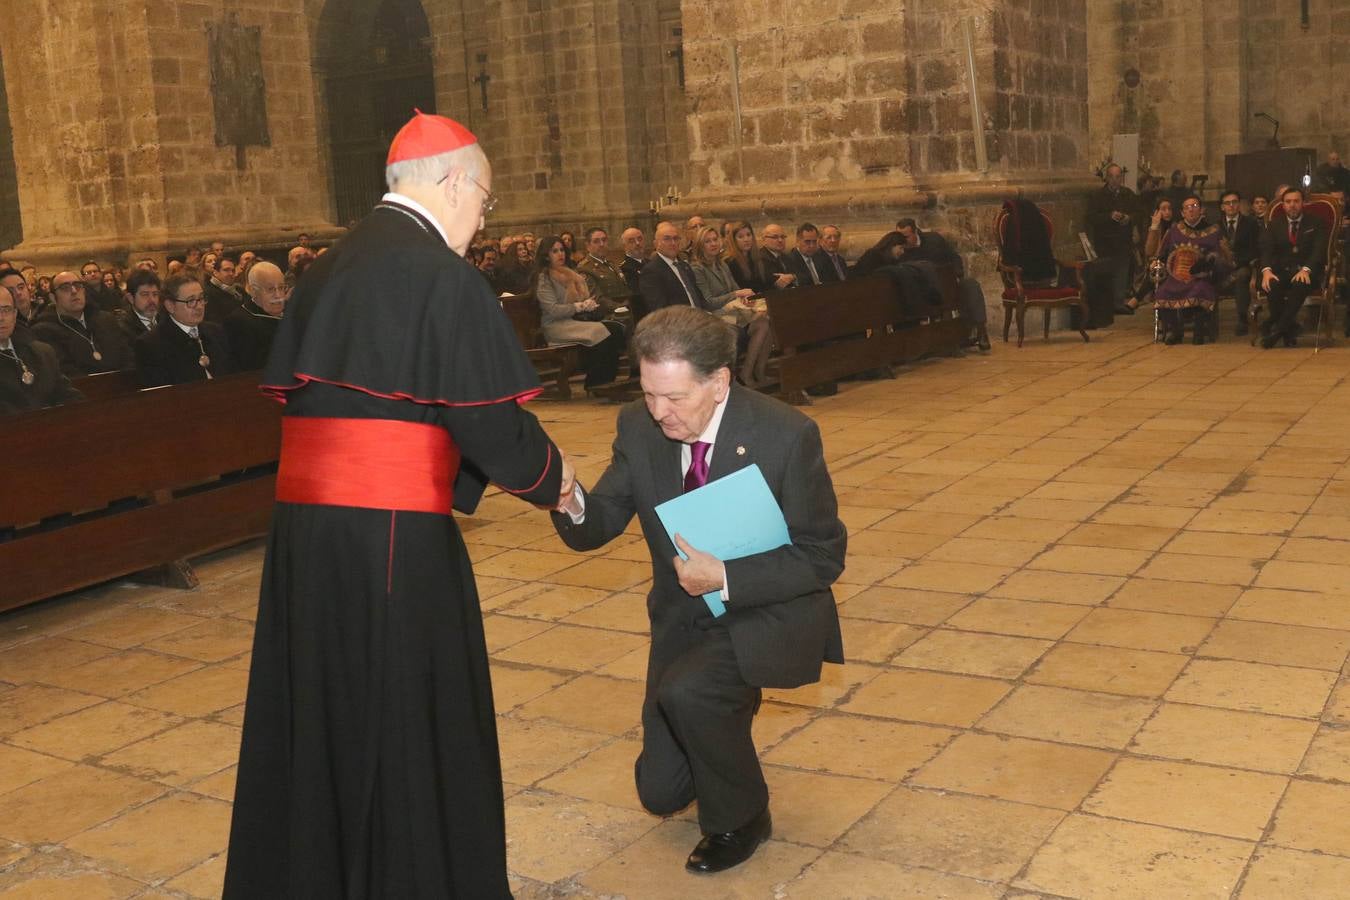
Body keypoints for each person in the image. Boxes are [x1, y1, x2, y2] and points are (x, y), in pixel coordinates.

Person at [225, 112, 575, 900]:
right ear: (454, 183)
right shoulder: (437, 274)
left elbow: (383, 410)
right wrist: (558, 482)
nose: (484, 223)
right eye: (485, 202)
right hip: (391, 537)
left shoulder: (327, 266)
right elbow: (486, 419)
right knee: (403, 711)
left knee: (321, 708)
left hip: (306, 533)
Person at [551, 306, 846, 875]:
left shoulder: (786, 435)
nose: (660, 412)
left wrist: (727, 578)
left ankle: (743, 815)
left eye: (675, 398)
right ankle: (717, 721)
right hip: (683, 618)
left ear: (719, 382)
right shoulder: (639, 425)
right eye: (648, 393)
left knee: (693, 695)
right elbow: (602, 519)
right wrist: (568, 497)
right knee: (659, 793)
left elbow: (822, 555)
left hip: (762, 609)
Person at [535, 235, 624, 390]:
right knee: (602, 332)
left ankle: (606, 379)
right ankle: (596, 383)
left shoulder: (570, 274)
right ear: (546, 255)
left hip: (573, 321)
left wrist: (588, 303)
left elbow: (581, 299)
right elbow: (552, 310)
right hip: (555, 326)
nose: (560, 254)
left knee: (616, 329)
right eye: (554, 251)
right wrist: (579, 307)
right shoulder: (544, 278)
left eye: (562, 250)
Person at [689, 226, 773, 387]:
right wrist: (736, 295)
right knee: (762, 324)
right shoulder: (697, 268)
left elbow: (736, 290)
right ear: (700, 245)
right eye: (708, 241)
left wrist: (746, 298)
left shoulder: (722, 265)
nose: (713, 243)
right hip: (716, 316)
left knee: (767, 320)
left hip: (735, 313)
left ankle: (759, 371)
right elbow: (708, 301)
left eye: (715, 239)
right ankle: (746, 374)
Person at [896, 218, 991, 351]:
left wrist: (957, 275)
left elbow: (954, 257)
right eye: (899, 237)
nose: (902, 240)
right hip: (926, 293)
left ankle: (981, 331)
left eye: (906, 236)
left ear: (915, 232)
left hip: (948, 284)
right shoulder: (900, 251)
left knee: (971, 285)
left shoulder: (933, 240)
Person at [1151, 196, 1232, 345]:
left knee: (1200, 289)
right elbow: (1162, 253)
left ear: (1201, 210)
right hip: (1176, 276)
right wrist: (1157, 262)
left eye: (1194, 205)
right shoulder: (1174, 230)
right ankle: (1176, 332)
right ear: (1182, 212)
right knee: (1162, 292)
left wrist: (1207, 265)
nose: (1191, 209)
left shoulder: (1213, 231)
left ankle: (1199, 331)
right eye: (1187, 207)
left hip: (1202, 276)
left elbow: (1221, 256)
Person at [135, 273, 236, 385]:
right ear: (170, 305)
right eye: (191, 301)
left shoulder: (216, 332)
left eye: (201, 298)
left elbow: (232, 375)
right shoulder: (151, 344)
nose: (199, 306)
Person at [1259, 187, 1329, 348]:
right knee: (1272, 284)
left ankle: (1277, 331)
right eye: (1288, 202)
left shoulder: (1316, 223)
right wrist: (1266, 271)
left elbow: (1318, 251)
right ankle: (1289, 330)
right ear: (1282, 205)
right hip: (1282, 271)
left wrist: (1306, 269)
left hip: (1308, 271)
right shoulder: (1273, 225)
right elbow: (1266, 249)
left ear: (1303, 203)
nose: (1292, 205)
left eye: (1296, 201)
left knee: (1300, 283)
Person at [31, 271, 134, 377]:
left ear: (84, 291)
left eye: (78, 286)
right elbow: (64, 371)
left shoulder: (106, 319)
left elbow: (127, 356)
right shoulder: (44, 331)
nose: (74, 291)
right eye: (65, 288)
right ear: (53, 298)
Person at [0, 292, 83, 416]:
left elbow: (68, 396)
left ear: (15, 314)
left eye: (6, 310)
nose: (1, 317)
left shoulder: (42, 353)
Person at [1086, 163, 1138, 313]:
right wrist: (1109, 216)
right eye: (1112, 177)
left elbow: (1139, 212)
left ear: (1121, 178)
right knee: (1106, 273)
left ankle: (1118, 302)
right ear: (1107, 178)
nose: (1116, 180)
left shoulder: (1128, 194)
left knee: (1122, 272)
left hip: (1123, 239)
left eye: (1118, 176)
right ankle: (1106, 305)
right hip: (1105, 241)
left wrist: (1129, 218)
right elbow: (1091, 217)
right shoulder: (1098, 196)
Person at [225, 261, 286, 370]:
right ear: (253, 291)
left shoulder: (292, 313)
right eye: (270, 289)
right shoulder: (240, 322)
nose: (278, 295)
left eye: (281, 287)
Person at [1217, 191, 1262, 336]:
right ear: (1222, 207)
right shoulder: (1216, 226)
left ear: (1239, 204)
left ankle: (1243, 319)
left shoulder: (1251, 223)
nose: (1231, 206)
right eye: (1227, 203)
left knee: (1242, 276)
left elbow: (1255, 248)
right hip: (1222, 267)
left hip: (1243, 265)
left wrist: (1237, 263)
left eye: (1234, 202)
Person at [641, 222, 708, 315]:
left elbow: (699, 299)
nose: (673, 243)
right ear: (656, 244)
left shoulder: (684, 266)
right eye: (667, 239)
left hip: (701, 317)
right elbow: (660, 310)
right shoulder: (651, 271)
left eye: (676, 238)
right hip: (679, 323)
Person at [576, 227, 634, 314]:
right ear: (588, 246)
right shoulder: (585, 268)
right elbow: (596, 298)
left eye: (604, 240)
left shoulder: (611, 264)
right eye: (596, 241)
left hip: (625, 309)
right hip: (607, 314)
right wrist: (621, 307)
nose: (602, 244)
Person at [725, 221, 791, 294]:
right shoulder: (730, 262)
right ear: (734, 240)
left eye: (748, 235)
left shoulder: (756, 258)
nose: (746, 239)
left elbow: (764, 285)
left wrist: (779, 282)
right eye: (740, 237)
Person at [115, 268, 161, 342]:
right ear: (131, 298)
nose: (152, 300)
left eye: (155, 294)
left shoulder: (165, 320)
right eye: (145, 295)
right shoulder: (123, 329)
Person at [620, 226, 647, 296]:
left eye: (640, 239)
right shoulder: (624, 269)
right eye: (631, 241)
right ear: (624, 246)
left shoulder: (652, 263)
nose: (637, 243)